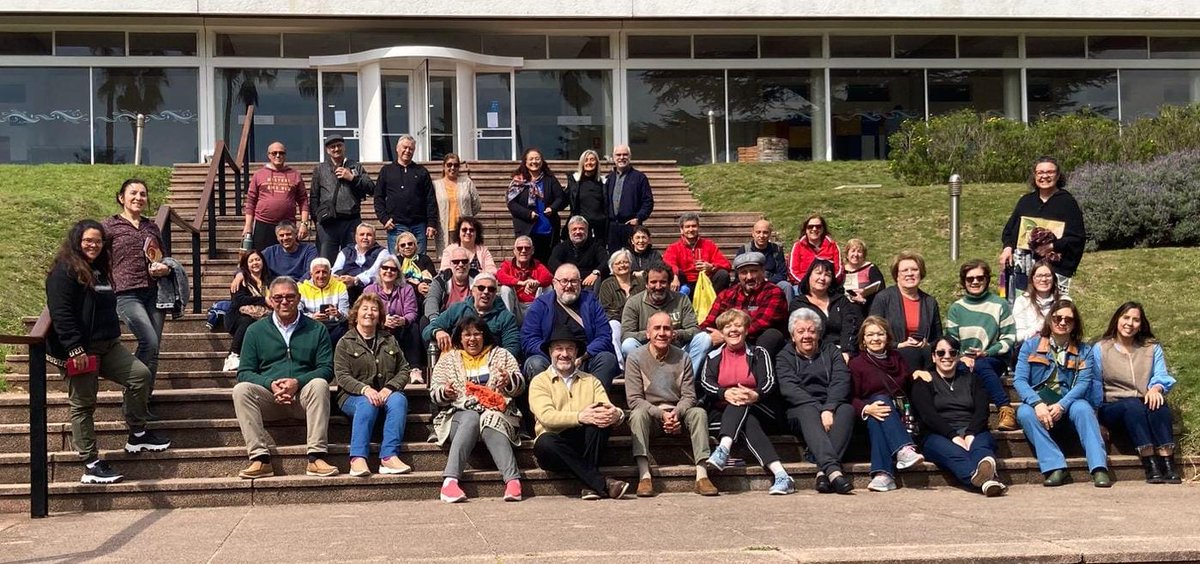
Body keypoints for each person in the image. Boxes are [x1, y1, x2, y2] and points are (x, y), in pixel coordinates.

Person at [46, 220, 170, 484]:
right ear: (77, 241)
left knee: (140, 375)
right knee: (83, 404)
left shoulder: (100, 270)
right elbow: (61, 314)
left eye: (98, 241)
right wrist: (74, 348)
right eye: (88, 241)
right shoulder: (64, 271)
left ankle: (137, 434)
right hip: (80, 351)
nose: (93, 245)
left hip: (108, 345)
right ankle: (90, 463)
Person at [233, 276, 337, 479]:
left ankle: (316, 457)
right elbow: (244, 372)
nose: (284, 302)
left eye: (290, 297)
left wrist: (297, 382)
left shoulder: (317, 329)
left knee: (319, 384)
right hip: (270, 399)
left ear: (299, 298)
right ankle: (260, 460)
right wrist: (270, 384)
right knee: (241, 390)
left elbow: (326, 369)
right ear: (270, 300)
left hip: (303, 399)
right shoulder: (255, 331)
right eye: (278, 297)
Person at [1012, 299, 1110, 487]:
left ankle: (1099, 467)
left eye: (1068, 320)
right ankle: (1056, 467)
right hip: (1040, 403)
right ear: (1050, 320)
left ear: (1074, 324)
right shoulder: (1030, 346)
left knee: (1083, 408)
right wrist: (1037, 403)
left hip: (1069, 404)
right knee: (1024, 412)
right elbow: (1020, 380)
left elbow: (1082, 384)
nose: (1062, 322)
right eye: (1058, 318)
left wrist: (1062, 405)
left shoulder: (1085, 351)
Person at [430, 317, 525, 503]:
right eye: (467, 335)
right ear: (460, 338)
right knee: (471, 417)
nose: (472, 339)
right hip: (458, 415)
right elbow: (434, 393)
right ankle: (450, 482)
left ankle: (513, 481)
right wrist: (446, 392)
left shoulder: (502, 355)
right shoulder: (448, 359)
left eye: (476, 334)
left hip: (497, 412)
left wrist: (509, 381)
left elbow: (519, 386)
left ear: (484, 336)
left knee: (490, 419)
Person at [699, 309, 794, 495]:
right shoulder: (712, 357)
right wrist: (723, 393)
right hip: (723, 413)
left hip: (761, 408)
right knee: (742, 412)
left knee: (741, 401)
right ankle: (781, 474)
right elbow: (705, 383)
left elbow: (769, 382)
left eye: (738, 325)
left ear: (747, 330)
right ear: (721, 332)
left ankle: (723, 448)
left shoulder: (759, 353)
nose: (733, 330)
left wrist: (755, 395)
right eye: (727, 326)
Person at [529, 326, 629, 500]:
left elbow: (606, 407)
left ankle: (591, 485)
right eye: (559, 348)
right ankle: (600, 483)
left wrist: (617, 414)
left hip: (583, 444)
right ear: (551, 352)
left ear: (576, 353)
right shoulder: (539, 382)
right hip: (554, 447)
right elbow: (546, 416)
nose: (564, 354)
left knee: (601, 422)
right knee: (545, 441)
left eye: (570, 349)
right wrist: (579, 417)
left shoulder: (591, 381)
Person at [625, 312, 718, 497]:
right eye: (657, 328)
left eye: (667, 328)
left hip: (678, 415)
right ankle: (644, 476)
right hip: (651, 417)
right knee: (636, 415)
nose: (662, 333)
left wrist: (676, 412)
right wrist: (661, 414)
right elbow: (634, 399)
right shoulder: (635, 358)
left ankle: (702, 475)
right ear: (648, 333)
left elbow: (689, 396)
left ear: (673, 332)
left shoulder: (683, 358)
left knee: (698, 413)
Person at [1090, 302, 1181, 484]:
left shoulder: (1151, 347)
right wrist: (1096, 419)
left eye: (1136, 320)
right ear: (1117, 319)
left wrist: (1156, 388)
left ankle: (1168, 461)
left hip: (1143, 402)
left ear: (1141, 325)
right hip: (1112, 407)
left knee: (1159, 403)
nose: (1130, 323)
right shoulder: (1101, 348)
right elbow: (1094, 384)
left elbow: (1161, 374)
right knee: (1132, 405)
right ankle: (1150, 462)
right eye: (1126, 318)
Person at [910, 336, 1008, 496]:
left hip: (973, 429)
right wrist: (953, 436)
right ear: (934, 357)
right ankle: (987, 481)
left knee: (981, 447)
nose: (946, 356)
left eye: (952, 352)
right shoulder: (924, 380)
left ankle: (985, 477)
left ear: (957, 356)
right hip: (937, 434)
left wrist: (970, 434)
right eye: (941, 353)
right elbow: (928, 416)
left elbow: (982, 411)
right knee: (955, 454)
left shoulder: (973, 379)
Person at [776, 308, 854, 494]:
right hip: (799, 411)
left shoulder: (831, 351)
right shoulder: (784, 356)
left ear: (819, 333)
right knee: (807, 410)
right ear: (792, 336)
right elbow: (790, 390)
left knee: (848, 410)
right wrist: (821, 410)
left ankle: (822, 471)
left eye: (811, 331)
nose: (807, 336)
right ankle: (834, 471)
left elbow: (841, 381)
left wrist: (829, 407)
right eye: (801, 331)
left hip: (831, 406)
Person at [333, 293, 412, 477]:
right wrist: (365, 389)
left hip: (386, 393)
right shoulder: (345, 342)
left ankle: (389, 457)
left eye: (374, 309)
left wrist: (389, 388)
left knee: (399, 401)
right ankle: (358, 458)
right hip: (352, 397)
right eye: (365, 309)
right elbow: (342, 376)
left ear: (380, 316)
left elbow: (404, 369)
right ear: (356, 314)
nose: (370, 313)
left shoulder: (389, 340)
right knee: (366, 404)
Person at [102, 179, 169, 393]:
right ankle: (133, 391)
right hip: (125, 292)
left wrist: (164, 268)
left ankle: (143, 401)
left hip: (154, 292)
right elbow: (95, 255)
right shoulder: (109, 226)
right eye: (133, 193)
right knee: (148, 341)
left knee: (154, 349)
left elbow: (162, 256)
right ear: (121, 198)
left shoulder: (152, 227)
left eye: (143, 194)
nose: (138, 198)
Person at [847, 316, 924, 492]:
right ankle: (904, 449)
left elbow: (907, 384)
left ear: (887, 337)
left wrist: (919, 374)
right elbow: (850, 397)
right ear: (863, 340)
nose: (875, 339)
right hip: (868, 413)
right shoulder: (857, 363)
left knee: (880, 410)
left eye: (880, 334)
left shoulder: (897, 358)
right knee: (879, 404)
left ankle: (883, 476)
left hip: (900, 414)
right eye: (870, 335)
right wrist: (866, 408)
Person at [945, 259, 1019, 432]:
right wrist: (962, 356)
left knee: (981, 365)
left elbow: (1009, 338)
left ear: (987, 279)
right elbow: (951, 340)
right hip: (963, 360)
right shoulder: (956, 308)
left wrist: (987, 352)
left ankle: (1005, 408)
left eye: (980, 277)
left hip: (994, 358)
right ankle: (983, 416)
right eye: (970, 279)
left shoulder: (1000, 305)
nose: (975, 282)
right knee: (972, 374)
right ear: (964, 282)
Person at [521, 264, 619, 391]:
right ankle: (550, 406)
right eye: (564, 281)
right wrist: (556, 356)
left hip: (584, 359)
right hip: (551, 361)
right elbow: (529, 339)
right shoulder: (541, 305)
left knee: (607, 359)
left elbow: (604, 335)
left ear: (580, 283)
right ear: (554, 283)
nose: (569, 286)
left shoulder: (591, 302)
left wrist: (584, 355)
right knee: (535, 363)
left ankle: (592, 404)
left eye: (574, 281)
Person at [1000, 156, 1087, 298]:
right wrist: (1007, 247)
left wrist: (1052, 246)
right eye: (1040, 172)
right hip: (1023, 270)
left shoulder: (1067, 202)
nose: (1044, 176)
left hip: (1053, 272)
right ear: (1034, 175)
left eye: (1050, 172)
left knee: (1050, 314)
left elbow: (1077, 237)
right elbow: (1010, 231)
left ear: (1058, 175)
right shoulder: (1026, 201)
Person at [620, 263, 710, 376]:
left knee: (704, 339)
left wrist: (676, 334)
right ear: (646, 284)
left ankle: (684, 381)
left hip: (677, 351)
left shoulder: (682, 299)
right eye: (653, 282)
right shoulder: (634, 302)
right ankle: (649, 382)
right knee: (628, 344)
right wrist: (653, 335)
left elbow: (695, 329)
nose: (658, 287)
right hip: (648, 354)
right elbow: (626, 335)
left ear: (669, 283)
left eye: (663, 282)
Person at [701, 252, 789, 358]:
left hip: (757, 342)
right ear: (738, 275)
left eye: (754, 271)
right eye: (744, 272)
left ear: (763, 271)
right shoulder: (726, 294)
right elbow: (709, 322)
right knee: (703, 339)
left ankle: (759, 371)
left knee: (771, 335)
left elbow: (761, 324)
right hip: (728, 343)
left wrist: (726, 336)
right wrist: (706, 333)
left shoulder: (774, 292)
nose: (749, 277)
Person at [869, 251, 941, 373]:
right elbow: (871, 333)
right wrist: (899, 345)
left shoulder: (930, 302)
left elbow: (938, 338)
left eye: (914, 269)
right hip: (892, 357)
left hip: (924, 358)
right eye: (905, 270)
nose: (910, 274)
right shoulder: (884, 298)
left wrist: (926, 344)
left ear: (921, 273)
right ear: (896, 275)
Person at [424, 273, 521, 360]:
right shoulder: (456, 309)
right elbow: (427, 330)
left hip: (490, 364)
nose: (486, 292)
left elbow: (513, 348)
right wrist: (437, 331)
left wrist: (493, 362)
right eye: (481, 288)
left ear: (495, 293)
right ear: (472, 290)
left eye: (491, 289)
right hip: (458, 363)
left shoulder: (506, 317)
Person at [311, 134, 374, 262]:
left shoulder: (355, 166)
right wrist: (316, 220)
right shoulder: (320, 169)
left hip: (351, 221)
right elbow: (314, 196)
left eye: (339, 145)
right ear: (327, 150)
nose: (336, 149)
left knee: (352, 259)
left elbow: (371, 188)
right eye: (332, 147)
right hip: (328, 223)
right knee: (326, 261)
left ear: (344, 147)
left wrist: (352, 178)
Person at [363, 255, 425, 382]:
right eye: (385, 268)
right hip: (378, 329)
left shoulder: (406, 289)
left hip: (400, 328)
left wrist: (403, 320)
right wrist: (382, 320)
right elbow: (364, 313)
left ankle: (414, 369)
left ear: (398, 273)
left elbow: (412, 312)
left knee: (413, 327)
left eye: (393, 269)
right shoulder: (369, 290)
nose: (389, 271)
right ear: (379, 270)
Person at [374, 134, 439, 255]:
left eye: (411, 149)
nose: (407, 151)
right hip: (396, 225)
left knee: (419, 262)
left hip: (419, 226)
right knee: (397, 263)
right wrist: (384, 219)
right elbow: (378, 197)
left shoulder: (421, 171)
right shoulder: (386, 171)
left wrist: (431, 223)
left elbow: (430, 199)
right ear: (397, 148)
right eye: (405, 147)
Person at [242, 141, 309, 252]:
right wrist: (248, 225)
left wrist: (304, 223)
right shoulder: (259, 174)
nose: (278, 155)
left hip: (287, 225)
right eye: (274, 153)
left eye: (281, 153)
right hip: (263, 223)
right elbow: (250, 201)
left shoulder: (295, 175)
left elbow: (304, 201)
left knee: (288, 258)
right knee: (262, 258)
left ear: (285, 155)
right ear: (269, 155)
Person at [790, 259, 861, 359]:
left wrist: (846, 352)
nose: (822, 278)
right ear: (809, 275)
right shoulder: (798, 304)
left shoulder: (841, 300)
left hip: (844, 352)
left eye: (827, 275)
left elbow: (850, 327)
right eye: (818, 273)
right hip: (815, 355)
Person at [506, 147, 566, 264]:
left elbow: (561, 198)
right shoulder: (518, 180)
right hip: (527, 229)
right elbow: (511, 203)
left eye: (537, 159)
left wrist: (552, 208)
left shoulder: (550, 179)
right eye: (531, 159)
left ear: (542, 161)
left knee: (547, 264)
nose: (534, 162)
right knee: (528, 264)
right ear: (525, 162)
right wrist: (528, 214)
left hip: (548, 230)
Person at [223, 249, 274, 372]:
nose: (255, 263)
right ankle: (233, 355)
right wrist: (263, 300)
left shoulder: (270, 279)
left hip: (263, 315)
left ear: (263, 261)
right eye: (251, 261)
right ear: (246, 264)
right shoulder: (241, 280)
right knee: (248, 321)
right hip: (237, 317)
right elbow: (238, 300)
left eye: (257, 259)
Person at [662, 212, 731, 295]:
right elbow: (667, 263)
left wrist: (712, 267)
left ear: (698, 227)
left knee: (723, 274)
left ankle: (716, 305)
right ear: (681, 230)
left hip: (707, 283)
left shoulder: (709, 245)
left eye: (694, 226)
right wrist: (675, 275)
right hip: (686, 283)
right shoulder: (674, 247)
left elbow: (726, 264)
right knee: (673, 275)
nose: (691, 230)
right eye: (687, 227)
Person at [596, 249, 644, 365]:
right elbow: (607, 310)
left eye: (625, 262)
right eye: (618, 263)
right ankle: (621, 366)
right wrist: (626, 317)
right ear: (612, 267)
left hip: (638, 321)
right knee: (613, 326)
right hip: (617, 321)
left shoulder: (640, 283)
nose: (622, 265)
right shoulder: (607, 284)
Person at [604, 144, 654, 252]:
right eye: (618, 155)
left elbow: (648, 201)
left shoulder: (640, 178)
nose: (622, 157)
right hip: (612, 227)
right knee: (614, 259)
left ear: (630, 157)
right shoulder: (609, 178)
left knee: (632, 259)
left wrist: (639, 218)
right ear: (613, 157)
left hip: (631, 226)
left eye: (625, 154)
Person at [496, 235, 552, 324]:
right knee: (505, 289)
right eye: (519, 248)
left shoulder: (538, 265)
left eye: (527, 248)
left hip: (534, 306)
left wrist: (536, 283)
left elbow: (548, 277)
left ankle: (546, 322)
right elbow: (500, 276)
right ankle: (508, 325)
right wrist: (521, 283)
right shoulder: (507, 265)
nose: (523, 251)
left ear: (532, 250)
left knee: (548, 288)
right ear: (514, 251)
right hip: (516, 307)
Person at [331, 223, 390, 305]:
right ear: (356, 237)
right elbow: (336, 269)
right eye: (362, 234)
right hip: (347, 289)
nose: (365, 237)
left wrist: (355, 280)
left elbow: (374, 272)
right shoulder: (345, 251)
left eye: (369, 235)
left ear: (374, 237)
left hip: (371, 291)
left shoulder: (383, 252)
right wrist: (341, 277)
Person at [736, 219, 792, 302]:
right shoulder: (744, 250)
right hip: (750, 281)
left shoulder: (777, 250)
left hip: (771, 282)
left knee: (786, 286)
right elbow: (738, 273)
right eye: (758, 232)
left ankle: (788, 313)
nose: (761, 235)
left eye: (765, 232)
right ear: (753, 233)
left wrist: (766, 281)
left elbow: (782, 274)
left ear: (770, 234)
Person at [433, 153, 481, 250]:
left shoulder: (466, 182)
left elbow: (477, 204)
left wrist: (468, 214)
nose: (452, 168)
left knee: (465, 257)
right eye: (449, 165)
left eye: (456, 165)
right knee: (447, 259)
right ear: (444, 166)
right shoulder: (436, 185)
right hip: (445, 229)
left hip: (464, 229)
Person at [298, 258, 349, 345]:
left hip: (334, 327)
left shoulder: (340, 286)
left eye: (324, 272)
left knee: (342, 328)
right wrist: (312, 317)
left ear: (330, 273)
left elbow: (346, 315)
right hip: (311, 326)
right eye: (317, 272)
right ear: (311, 274)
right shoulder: (302, 289)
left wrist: (338, 314)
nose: (321, 276)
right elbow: (297, 314)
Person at [548, 216, 609, 288]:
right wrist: (568, 274)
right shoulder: (561, 247)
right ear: (569, 231)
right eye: (574, 229)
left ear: (587, 230)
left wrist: (596, 273)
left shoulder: (595, 246)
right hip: (568, 282)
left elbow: (607, 260)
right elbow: (552, 262)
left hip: (589, 284)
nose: (577, 232)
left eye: (581, 229)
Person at [1013, 260, 1062, 346]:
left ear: (1053, 278)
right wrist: (1038, 329)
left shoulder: (1063, 301)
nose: (1044, 279)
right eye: (1039, 276)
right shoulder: (1022, 301)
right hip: (1030, 348)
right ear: (1032, 279)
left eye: (1048, 276)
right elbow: (1018, 336)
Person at [425, 246, 479, 322]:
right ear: (450, 264)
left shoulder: (478, 280)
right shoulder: (441, 280)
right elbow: (431, 300)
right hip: (446, 320)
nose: (460, 264)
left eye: (464, 261)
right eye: (456, 262)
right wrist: (435, 321)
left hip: (472, 320)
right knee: (424, 321)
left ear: (469, 264)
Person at [567, 149, 608, 247]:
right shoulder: (575, 181)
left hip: (600, 228)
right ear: (582, 163)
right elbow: (563, 198)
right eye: (586, 160)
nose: (589, 162)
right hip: (580, 227)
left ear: (597, 162)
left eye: (592, 160)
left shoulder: (604, 182)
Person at [789, 213, 842, 287]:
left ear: (823, 229)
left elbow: (839, 270)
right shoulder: (798, 246)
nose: (814, 229)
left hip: (827, 285)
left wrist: (826, 283)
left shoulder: (832, 245)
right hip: (803, 286)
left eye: (818, 226)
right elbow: (793, 271)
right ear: (805, 229)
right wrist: (809, 284)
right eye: (810, 227)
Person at [842, 238, 885, 316]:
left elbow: (881, 292)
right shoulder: (841, 270)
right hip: (845, 310)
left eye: (859, 251)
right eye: (853, 251)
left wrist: (864, 299)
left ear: (863, 255)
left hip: (867, 310)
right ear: (847, 254)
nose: (856, 254)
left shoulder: (871, 268)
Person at [393, 230, 436, 298]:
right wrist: (417, 287)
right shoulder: (395, 261)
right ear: (398, 248)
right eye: (403, 245)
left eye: (410, 244)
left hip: (425, 293)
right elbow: (396, 280)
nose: (407, 247)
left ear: (415, 245)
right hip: (402, 294)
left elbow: (433, 277)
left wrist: (424, 285)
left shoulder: (424, 259)